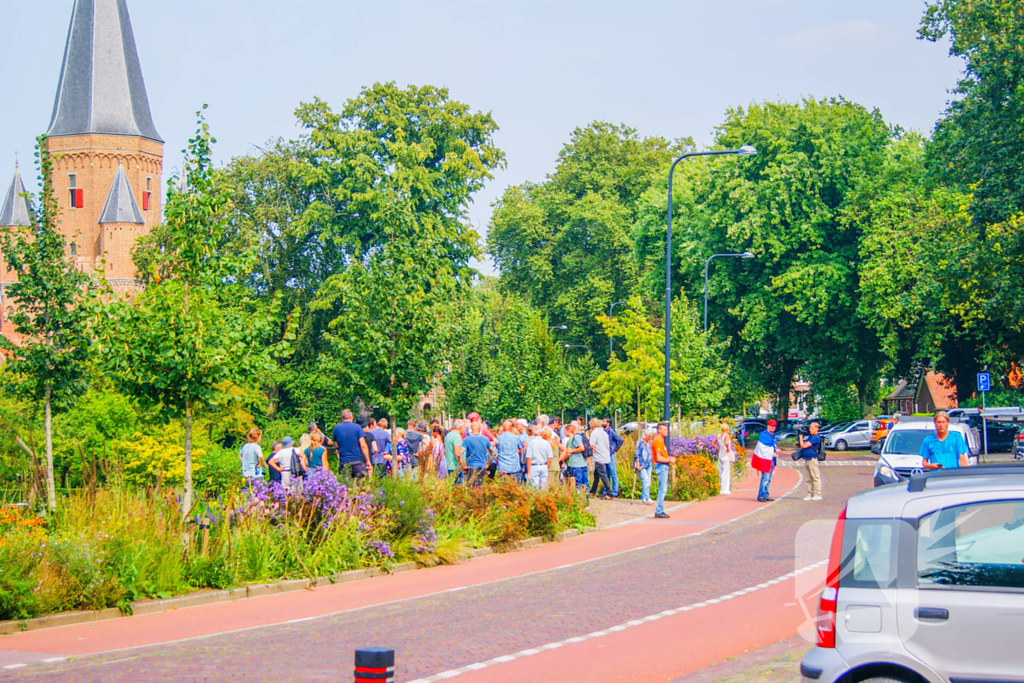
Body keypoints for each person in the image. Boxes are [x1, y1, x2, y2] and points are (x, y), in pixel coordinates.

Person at [751, 419, 792, 502]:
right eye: (771, 426)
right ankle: (761, 495)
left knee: (769, 478)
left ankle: (765, 494)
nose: (773, 427)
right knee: (765, 477)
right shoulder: (764, 435)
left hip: (771, 459)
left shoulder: (772, 435)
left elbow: (772, 445)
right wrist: (771, 452)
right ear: (768, 426)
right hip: (765, 459)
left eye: (774, 426)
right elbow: (762, 447)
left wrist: (775, 450)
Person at [333, 409, 371, 480]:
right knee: (361, 484)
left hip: (344, 461)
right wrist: (367, 460)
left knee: (346, 485)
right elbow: (363, 445)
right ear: (352, 417)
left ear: (342, 418)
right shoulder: (357, 427)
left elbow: (336, 444)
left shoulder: (336, 428)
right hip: (357, 460)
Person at [652, 423, 676, 518]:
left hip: (663, 465)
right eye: (665, 430)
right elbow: (658, 457)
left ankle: (660, 510)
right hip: (661, 466)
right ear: (659, 430)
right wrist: (669, 460)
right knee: (662, 489)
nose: (667, 431)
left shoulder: (660, 440)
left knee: (663, 489)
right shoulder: (658, 440)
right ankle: (659, 510)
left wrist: (668, 457)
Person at [797, 421, 823, 500]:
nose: (810, 430)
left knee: (815, 477)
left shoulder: (815, 438)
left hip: (812, 459)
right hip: (807, 458)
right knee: (808, 478)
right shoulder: (810, 437)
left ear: (816, 429)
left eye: (812, 428)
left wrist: (800, 436)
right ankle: (810, 493)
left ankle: (817, 494)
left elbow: (804, 445)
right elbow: (802, 445)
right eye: (810, 428)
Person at [462, 421, 493, 486]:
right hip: (482, 466)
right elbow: (493, 453)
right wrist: (488, 464)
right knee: (480, 487)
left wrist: (463, 465)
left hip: (470, 466)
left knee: (471, 487)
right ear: (479, 428)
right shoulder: (485, 439)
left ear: (471, 428)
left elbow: (459, 453)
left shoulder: (467, 439)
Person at [589, 418, 613, 499]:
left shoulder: (594, 433)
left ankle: (609, 493)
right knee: (597, 475)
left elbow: (592, 446)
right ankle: (593, 491)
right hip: (605, 456)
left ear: (592, 426)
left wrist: (590, 457)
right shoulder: (604, 432)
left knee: (603, 475)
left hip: (599, 457)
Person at [562, 423, 588, 493]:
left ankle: (579, 499)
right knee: (585, 483)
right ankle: (585, 499)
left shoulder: (576, 437)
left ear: (573, 427)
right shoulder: (582, 435)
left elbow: (582, 448)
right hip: (583, 463)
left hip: (577, 464)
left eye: (570, 425)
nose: (569, 427)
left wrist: (572, 450)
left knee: (578, 484)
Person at [715, 421, 737, 495]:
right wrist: (728, 449)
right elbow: (727, 443)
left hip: (720, 453)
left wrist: (718, 448)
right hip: (726, 453)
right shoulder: (726, 435)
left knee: (721, 471)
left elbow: (712, 442)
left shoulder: (718, 435)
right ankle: (725, 489)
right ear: (727, 428)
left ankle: (721, 487)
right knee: (726, 472)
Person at [634, 427, 654, 504]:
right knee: (646, 481)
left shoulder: (650, 442)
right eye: (649, 436)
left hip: (648, 463)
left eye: (651, 436)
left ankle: (643, 498)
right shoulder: (640, 442)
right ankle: (647, 497)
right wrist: (637, 464)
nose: (650, 438)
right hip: (641, 464)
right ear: (644, 436)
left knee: (647, 481)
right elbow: (637, 454)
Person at [605, 418, 623, 497]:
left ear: (608, 423)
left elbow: (620, 440)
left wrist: (615, 449)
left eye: (604, 421)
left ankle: (615, 491)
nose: (603, 423)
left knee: (613, 472)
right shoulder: (603, 431)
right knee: (606, 473)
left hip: (610, 454)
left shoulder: (611, 431)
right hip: (605, 454)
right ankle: (607, 490)